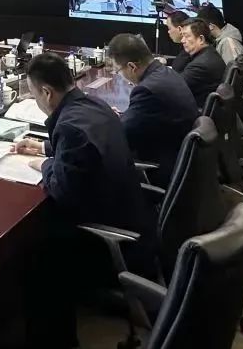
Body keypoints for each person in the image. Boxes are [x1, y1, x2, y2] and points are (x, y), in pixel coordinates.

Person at [12, 53, 155, 349]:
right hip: (133, 216)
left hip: (109, 238)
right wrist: (44, 146)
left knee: (33, 253)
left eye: (35, 95)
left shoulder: (70, 126)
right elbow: (84, 148)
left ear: (47, 93)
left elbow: (61, 191)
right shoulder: (92, 105)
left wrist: (45, 163)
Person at [106, 34, 199, 188]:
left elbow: (121, 137)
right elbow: (144, 117)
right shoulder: (166, 73)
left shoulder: (147, 90)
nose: (120, 76)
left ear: (132, 67)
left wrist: (106, 120)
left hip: (162, 167)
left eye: (118, 71)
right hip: (181, 158)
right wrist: (121, 117)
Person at [178, 18, 226, 107]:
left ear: (201, 39)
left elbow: (173, 87)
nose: (182, 40)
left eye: (187, 36)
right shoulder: (210, 53)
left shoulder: (201, 65)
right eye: (182, 36)